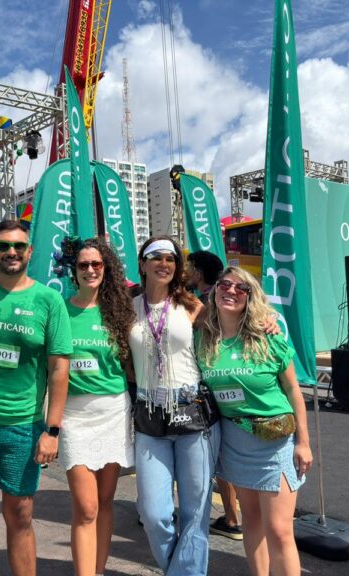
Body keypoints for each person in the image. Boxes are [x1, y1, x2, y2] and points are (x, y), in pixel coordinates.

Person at [0, 219, 72, 576]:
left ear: (29, 251)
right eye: (3, 246)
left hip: (23, 424)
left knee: (19, 515)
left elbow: (58, 371)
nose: (11, 252)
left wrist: (52, 431)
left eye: (18, 246)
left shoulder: (49, 300)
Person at [196, 267, 312, 576]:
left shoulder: (267, 336)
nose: (230, 291)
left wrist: (303, 442)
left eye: (240, 288)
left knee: (278, 529)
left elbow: (293, 391)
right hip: (235, 441)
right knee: (251, 521)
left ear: (250, 298)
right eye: (224, 284)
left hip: (274, 441)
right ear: (214, 290)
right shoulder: (203, 338)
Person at [129, 236, 220, 576]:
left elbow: (230, 333)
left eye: (170, 258)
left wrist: (267, 321)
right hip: (150, 418)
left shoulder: (194, 306)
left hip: (194, 416)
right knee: (154, 515)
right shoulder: (128, 307)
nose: (163, 263)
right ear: (143, 264)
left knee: (195, 513)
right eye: (155, 257)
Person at [55, 237, 135, 576]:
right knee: (86, 507)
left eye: (96, 264)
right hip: (74, 415)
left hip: (114, 411)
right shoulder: (60, 307)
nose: (90, 270)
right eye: (84, 265)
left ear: (107, 269)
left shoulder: (121, 310)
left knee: (104, 502)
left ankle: (97, 570)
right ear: (74, 270)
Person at [186, 251, 242, 541]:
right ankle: (234, 517)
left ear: (197, 271)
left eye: (188, 267)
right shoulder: (217, 297)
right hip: (224, 386)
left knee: (219, 457)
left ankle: (232, 518)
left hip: (210, 387)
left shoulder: (206, 301)